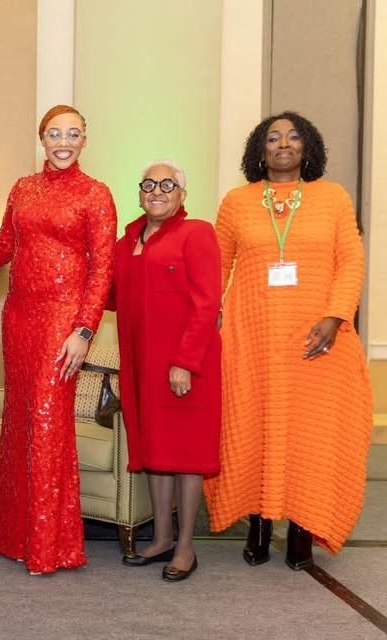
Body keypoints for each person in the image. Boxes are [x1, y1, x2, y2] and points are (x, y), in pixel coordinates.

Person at [203, 112, 373, 570]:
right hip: (252, 338)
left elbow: (351, 261)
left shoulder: (333, 198)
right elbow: (216, 265)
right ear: (259, 150)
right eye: (273, 137)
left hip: (318, 340)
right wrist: (208, 319)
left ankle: (302, 529)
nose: (283, 144)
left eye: (293, 137)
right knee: (252, 429)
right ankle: (258, 526)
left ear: (307, 147)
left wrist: (334, 318)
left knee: (309, 436)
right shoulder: (237, 202)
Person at [0, 104, 117, 575]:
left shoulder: (96, 194)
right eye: (55, 134)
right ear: (42, 139)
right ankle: (17, 535)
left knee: (47, 420)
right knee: (21, 418)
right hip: (19, 316)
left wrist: (84, 330)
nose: (64, 142)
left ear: (85, 140)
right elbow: (3, 249)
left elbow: (102, 269)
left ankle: (49, 544)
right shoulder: (23, 188)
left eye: (73, 134)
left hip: (63, 321)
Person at [110, 161, 221, 582]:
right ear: (140, 193)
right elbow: (111, 296)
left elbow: (207, 303)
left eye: (168, 185)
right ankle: (161, 539)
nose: (157, 191)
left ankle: (186, 547)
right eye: (149, 184)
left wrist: (185, 363)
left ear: (182, 195)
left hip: (185, 364)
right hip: (142, 365)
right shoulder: (126, 242)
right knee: (156, 452)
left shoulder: (196, 233)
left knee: (186, 455)